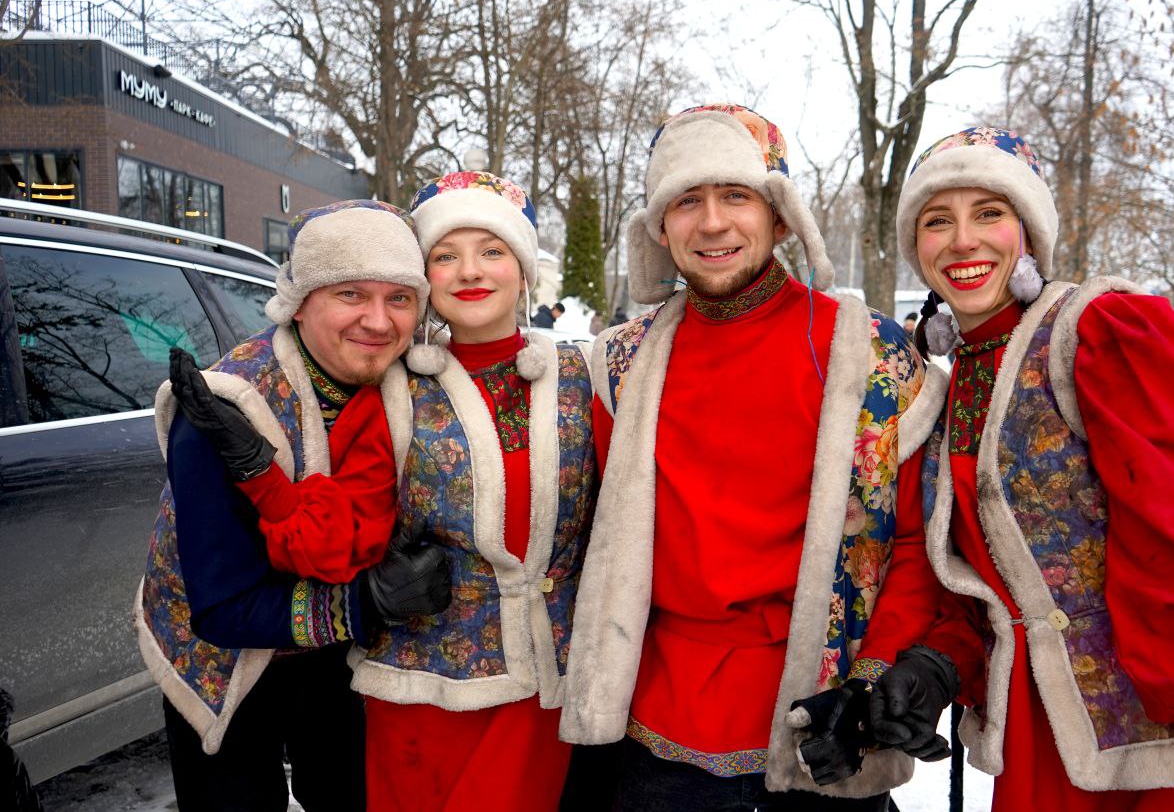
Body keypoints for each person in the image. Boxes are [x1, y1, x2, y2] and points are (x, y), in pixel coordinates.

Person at [869, 126, 1174, 811]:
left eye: (989, 213)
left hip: (1166, 758)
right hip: (1040, 754)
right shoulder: (951, 385)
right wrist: (937, 665)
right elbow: (991, 588)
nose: (963, 240)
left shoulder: (1103, 334)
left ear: (1027, 232)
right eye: (938, 221)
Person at [559, 104, 941, 809]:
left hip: (818, 728)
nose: (711, 223)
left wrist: (873, 684)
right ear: (659, 225)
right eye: (686, 200)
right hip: (649, 740)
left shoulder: (873, 356)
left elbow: (914, 545)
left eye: (736, 196)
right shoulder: (617, 366)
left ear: (780, 215)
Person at [136, 199, 452, 811]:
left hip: (338, 657)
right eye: (352, 294)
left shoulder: (407, 388)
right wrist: (368, 601)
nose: (380, 321)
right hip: (223, 659)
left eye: (400, 298)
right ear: (301, 301)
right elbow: (221, 610)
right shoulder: (222, 410)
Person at [349, 171, 597, 811]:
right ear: (424, 278)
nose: (469, 272)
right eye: (445, 256)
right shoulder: (392, 389)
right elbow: (341, 525)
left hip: (544, 688)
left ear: (522, 268)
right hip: (422, 693)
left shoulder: (580, 378)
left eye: (491, 251)